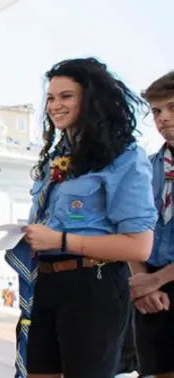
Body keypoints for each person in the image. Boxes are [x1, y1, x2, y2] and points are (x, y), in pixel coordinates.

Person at [6, 57, 157, 378]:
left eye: (66, 96)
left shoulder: (124, 157)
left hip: (93, 285)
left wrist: (60, 240)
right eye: (50, 97)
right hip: (47, 282)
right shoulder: (57, 157)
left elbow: (140, 246)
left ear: (90, 99)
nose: (54, 105)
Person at [130, 71, 174, 378]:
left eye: (172, 108)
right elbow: (129, 226)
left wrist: (156, 280)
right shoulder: (145, 168)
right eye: (157, 111)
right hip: (153, 292)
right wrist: (142, 284)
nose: (163, 118)